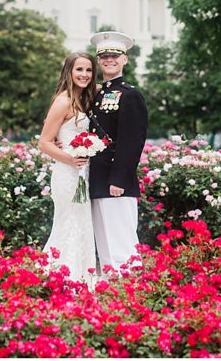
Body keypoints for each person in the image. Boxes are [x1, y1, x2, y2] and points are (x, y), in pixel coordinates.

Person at [87, 31, 148, 276]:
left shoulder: (130, 95)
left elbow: (132, 141)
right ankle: (112, 287)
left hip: (116, 180)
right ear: (98, 60)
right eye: (104, 56)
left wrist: (119, 179)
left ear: (125, 59)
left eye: (115, 55)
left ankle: (130, 287)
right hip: (97, 176)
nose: (109, 59)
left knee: (121, 238)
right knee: (103, 238)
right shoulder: (97, 94)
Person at [37, 52, 98, 284]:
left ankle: (82, 277)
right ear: (69, 72)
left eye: (89, 70)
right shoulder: (64, 101)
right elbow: (43, 142)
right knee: (68, 223)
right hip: (67, 173)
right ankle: (62, 278)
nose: (84, 74)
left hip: (83, 173)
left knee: (82, 224)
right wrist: (70, 159)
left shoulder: (85, 98)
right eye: (79, 69)